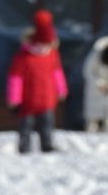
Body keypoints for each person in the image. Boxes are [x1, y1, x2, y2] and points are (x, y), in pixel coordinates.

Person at [8, 9, 67, 154]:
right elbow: (15, 78)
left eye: (47, 44)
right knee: (25, 125)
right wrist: (14, 99)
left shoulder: (52, 54)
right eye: (41, 44)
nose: (43, 48)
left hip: (47, 98)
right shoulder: (23, 56)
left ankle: (47, 144)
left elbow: (57, 73)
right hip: (28, 99)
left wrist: (62, 90)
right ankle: (24, 146)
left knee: (47, 124)